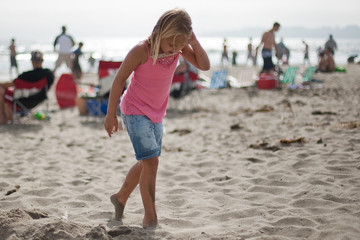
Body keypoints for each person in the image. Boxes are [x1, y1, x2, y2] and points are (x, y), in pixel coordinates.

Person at [104, 8, 210, 229]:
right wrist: (110, 114)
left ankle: (121, 196)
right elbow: (119, 79)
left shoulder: (178, 49)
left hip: (156, 113)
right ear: (160, 32)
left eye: (179, 45)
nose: (174, 50)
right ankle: (150, 218)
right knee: (152, 161)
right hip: (133, 110)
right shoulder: (141, 51)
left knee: (147, 162)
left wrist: (193, 41)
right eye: (171, 44)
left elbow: (204, 65)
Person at [0, 50, 54, 124]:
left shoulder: (25, 75)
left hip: (21, 101)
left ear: (32, 61)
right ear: (42, 61)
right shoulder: (48, 74)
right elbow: (49, 86)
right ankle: (8, 117)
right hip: (39, 99)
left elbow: (10, 84)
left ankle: (3, 118)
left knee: (1, 90)